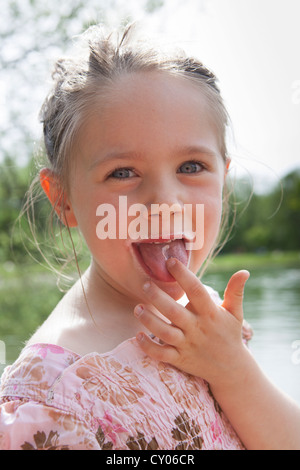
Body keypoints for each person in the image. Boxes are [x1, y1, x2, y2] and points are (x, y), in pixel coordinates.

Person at [0, 24, 299, 451]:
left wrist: (234, 371)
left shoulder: (209, 322)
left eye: (192, 166)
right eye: (123, 173)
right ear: (63, 199)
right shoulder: (56, 402)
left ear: (223, 181)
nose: (165, 201)